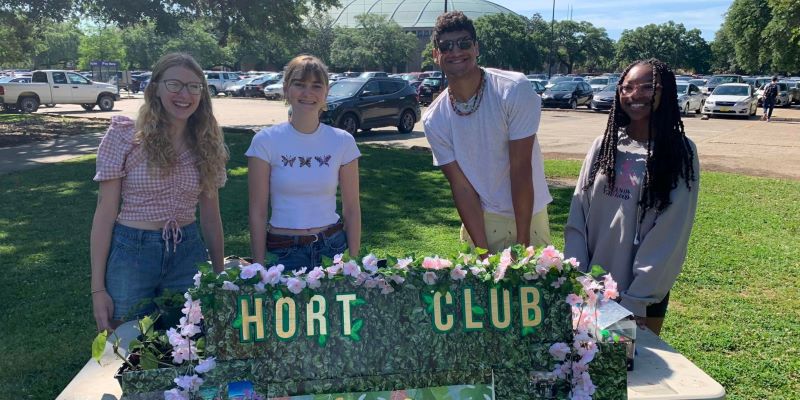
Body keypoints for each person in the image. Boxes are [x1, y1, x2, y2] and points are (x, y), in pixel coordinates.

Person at [90, 53, 228, 332]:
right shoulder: (125, 135)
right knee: (129, 344)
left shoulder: (206, 142)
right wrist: (97, 289)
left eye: (194, 86)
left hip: (188, 253)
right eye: (174, 84)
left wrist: (219, 274)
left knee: (191, 343)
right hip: (132, 253)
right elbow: (105, 214)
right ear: (155, 88)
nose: (184, 94)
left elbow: (211, 217)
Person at [564, 58, 700, 336]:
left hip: (642, 297)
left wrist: (635, 301)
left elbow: (670, 234)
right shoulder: (604, 145)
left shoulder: (679, 153)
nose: (634, 95)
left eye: (647, 87)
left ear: (666, 92)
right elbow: (578, 214)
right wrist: (580, 279)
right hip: (591, 289)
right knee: (587, 369)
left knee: (633, 373)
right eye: (627, 88)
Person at [422, 11, 552, 254]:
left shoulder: (513, 89)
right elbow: (460, 187)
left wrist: (524, 245)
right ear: (436, 55)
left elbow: (521, 167)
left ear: (476, 48)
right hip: (482, 218)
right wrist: (482, 252)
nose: (456, 51)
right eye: (446, 46)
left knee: (532, 289)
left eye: (464, 43)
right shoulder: (434, 119)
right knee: (481, 291)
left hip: (529, 214)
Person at [247, 55, 361, 270]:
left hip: (332, 249)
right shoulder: (265, 141)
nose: (307, 93)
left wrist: (354, 262)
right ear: (286, 89)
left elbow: (352, 209)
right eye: (299, 84)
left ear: (326, 92)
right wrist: (259, 266)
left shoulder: (343, 142)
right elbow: (257, 211)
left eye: (316, 86)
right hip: (283, 251)